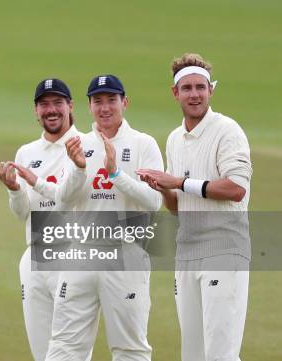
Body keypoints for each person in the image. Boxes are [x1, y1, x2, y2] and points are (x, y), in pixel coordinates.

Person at [26, 75, 163, 361]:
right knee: (64, 346)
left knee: (130, 348)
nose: (105, 108)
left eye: (111, 100)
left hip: (126, 255)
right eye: (98, 101)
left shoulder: (143, 144)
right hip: (81, 254)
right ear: (88, 106)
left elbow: (154, 201)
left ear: (124, 102)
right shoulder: (78, 144)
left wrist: (116, 175)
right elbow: (63, 201)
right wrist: (77, 169)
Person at [136, 53, 252, 361]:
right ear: (175, 93)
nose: (195, 94)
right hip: (187, 253)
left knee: (220, 354)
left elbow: (236, 189)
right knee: (194, 355)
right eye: (186, 88)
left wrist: (177, 182)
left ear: (211, 90)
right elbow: (177, 207)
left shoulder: (228, 130)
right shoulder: (174, 139)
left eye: (200, 87)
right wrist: (162, 187)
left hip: (224, 251)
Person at [0, 78, 84, 361]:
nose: (51, 110)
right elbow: (23, 213)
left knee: (71, 351)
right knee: (42, 351)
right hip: (34, 257)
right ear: (36, 110)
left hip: (74, 255)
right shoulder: (27, 153)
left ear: (70, 106)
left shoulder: (86, 147)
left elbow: (69, 198)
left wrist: (36, 183)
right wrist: (13, 190)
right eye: (44, 104)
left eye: (58, 103)